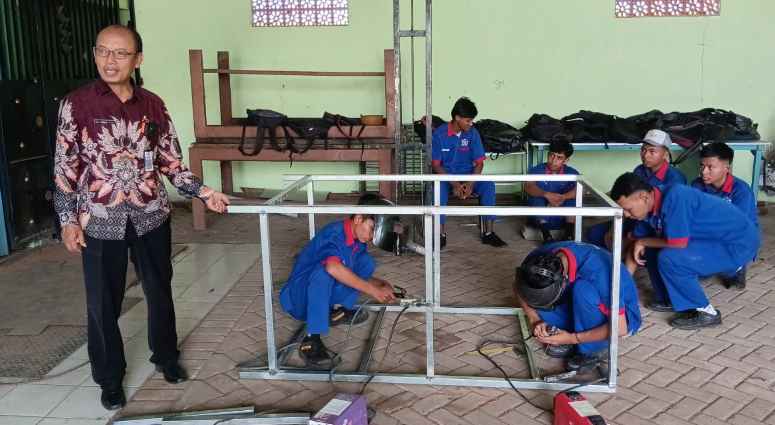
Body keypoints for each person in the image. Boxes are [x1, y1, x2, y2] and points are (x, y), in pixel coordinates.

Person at [53, 25, 230, 410]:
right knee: (103, 303)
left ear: (138, 59)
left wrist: (205, 193)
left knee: (159, 290)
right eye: (103, 51)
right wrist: (67, 220)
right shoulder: (76, 105)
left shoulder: (153, 105)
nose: (110, 60)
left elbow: (171, 162)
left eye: (120, 53)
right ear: (94, 54)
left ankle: (166, 356)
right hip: (99, 220)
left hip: (151, 216)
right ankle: (109, 379)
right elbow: (65, 168)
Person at [610, 173, 760, 329]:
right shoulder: (648, 210)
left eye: (628, 209)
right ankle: (669, 298)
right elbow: (634, 247)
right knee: (650, 248)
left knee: (671, 258)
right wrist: (619, 290)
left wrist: (643, 241)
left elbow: (678, 243)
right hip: (709, 240)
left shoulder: (676, 197)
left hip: (737, 243)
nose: (626, 214)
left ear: (643, 197)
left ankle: (706, 312)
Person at [279, 194, 397, 366]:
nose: (372, 236)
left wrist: (379, 284)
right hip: (299, 299)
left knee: (366, 262)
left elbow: (348, 269)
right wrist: (372, 291)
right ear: (358, 218)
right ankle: (311, 339)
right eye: (372, 228)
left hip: (319, 296)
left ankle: (339, 311)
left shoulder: (357, 240)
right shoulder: (334, 235)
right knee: (324, 273)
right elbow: (333, 268)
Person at [514, 241, 641, 372]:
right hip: (577, 302)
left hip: (621, 318)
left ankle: (593, 350)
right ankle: (570, 333)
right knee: (537, 302)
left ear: (563, 282)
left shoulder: (601, 275)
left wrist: (572, 338)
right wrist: (534, 319)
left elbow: (620, 328)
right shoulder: (536, 259)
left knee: (582, 290)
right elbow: (518, 287)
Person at [586, 129, 686, 249]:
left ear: (665, 153)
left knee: (627, 245)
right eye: (643, 150)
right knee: (595, 233)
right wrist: (614, 229)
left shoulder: (675, 179)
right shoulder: (640, 170)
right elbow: (628, 202)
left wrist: (631, 237)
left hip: (655, 226)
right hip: (633, 217)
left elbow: (670, 219)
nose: (645, 155)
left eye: (652, 151)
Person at [431, 97, 506, 249]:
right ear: (457, 118)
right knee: (437, 191)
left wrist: (470, 184)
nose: (470, 124)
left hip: (469, 175)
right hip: (446, 177)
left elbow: (479, 162)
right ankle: (440, 234)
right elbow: (436, 165)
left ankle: (489, 233)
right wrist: (455, 184)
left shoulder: (473, 133)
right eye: (468, 120)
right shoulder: (439, 134)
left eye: (472, 120)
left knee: (488, 186)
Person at [690, 142, 758, 289]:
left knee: (728, 263)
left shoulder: (741, 191)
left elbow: (739, 228)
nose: (704, 171)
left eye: (710, 167)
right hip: (710, 233)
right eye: (702, 165)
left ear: (727, 168)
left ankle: (737, 269)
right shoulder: (696, 185)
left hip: (736, 238)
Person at [524, 136, 579, 242]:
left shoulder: (572, 172)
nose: (553, 160)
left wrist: (563, 197)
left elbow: (582, 190)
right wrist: (546, 195)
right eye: (551, 155)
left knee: (573, 200)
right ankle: (546, 236)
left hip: (562, 218)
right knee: (536, 199)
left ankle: (568, 234)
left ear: (566, 160)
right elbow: (528, 186)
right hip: (540, 219)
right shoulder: (536, 170)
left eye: (559, 157)